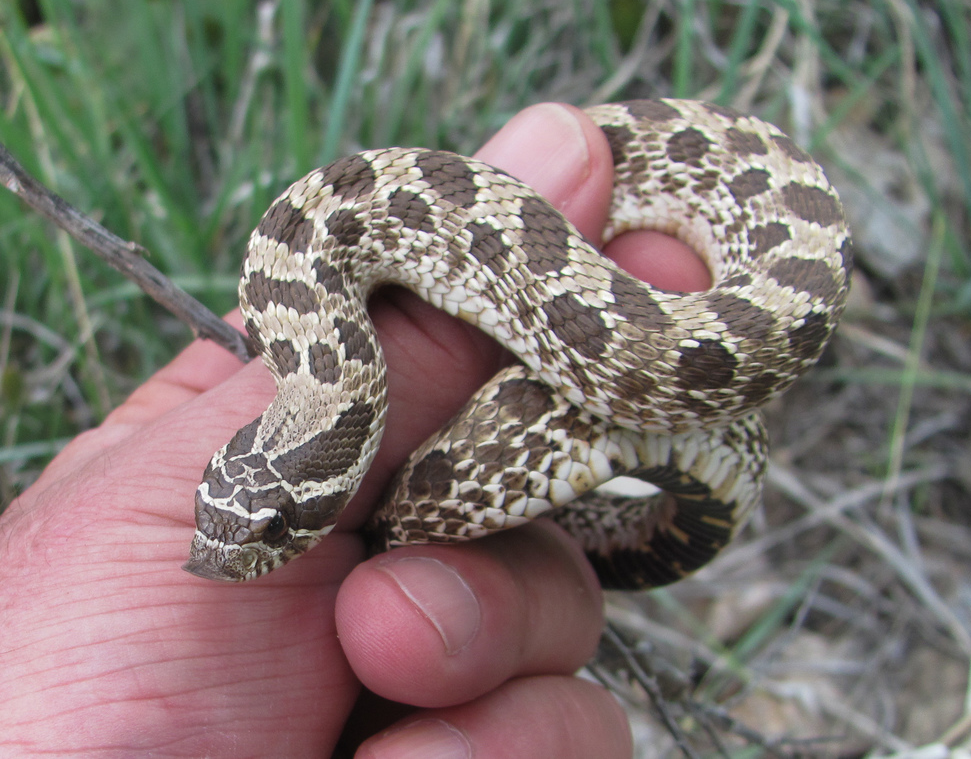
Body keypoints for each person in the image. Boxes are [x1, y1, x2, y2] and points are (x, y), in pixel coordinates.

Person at [0, 101, 709, 757]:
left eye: (274, 527)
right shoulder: (301, 318)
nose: (221, 556)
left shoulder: (341, 359)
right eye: (219, 517)